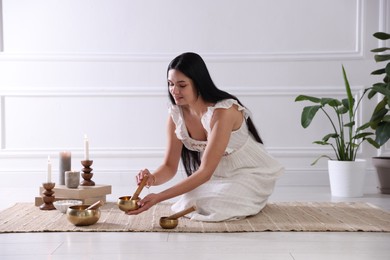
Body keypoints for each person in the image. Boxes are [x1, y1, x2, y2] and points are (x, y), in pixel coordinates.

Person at [126, 52, 284, 221]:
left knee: (216, 205)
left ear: (198, 83)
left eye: (182, 85)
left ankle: (252, 197)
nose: (174, 90)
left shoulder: (223, 112)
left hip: (249, 173)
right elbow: (169, 166)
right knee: (187, 202)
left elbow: (205, 171)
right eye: (170, 84)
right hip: (216, 176)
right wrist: (152, 178)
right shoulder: (176, 115)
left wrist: (159, 197)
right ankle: (237, 200)